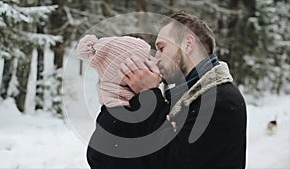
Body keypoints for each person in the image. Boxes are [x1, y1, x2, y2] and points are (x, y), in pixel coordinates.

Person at [81, 11, 247, 169]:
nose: (156, 57)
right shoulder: (184, 98)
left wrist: (148, 94)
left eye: (162, 48)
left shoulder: (220, 99)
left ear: (188, 44)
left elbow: (172, 163)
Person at [77, 34, 164, 169]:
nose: (155, 61)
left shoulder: (121, 114)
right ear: (126, 74)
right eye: (146, 60)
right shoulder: (122, 124)